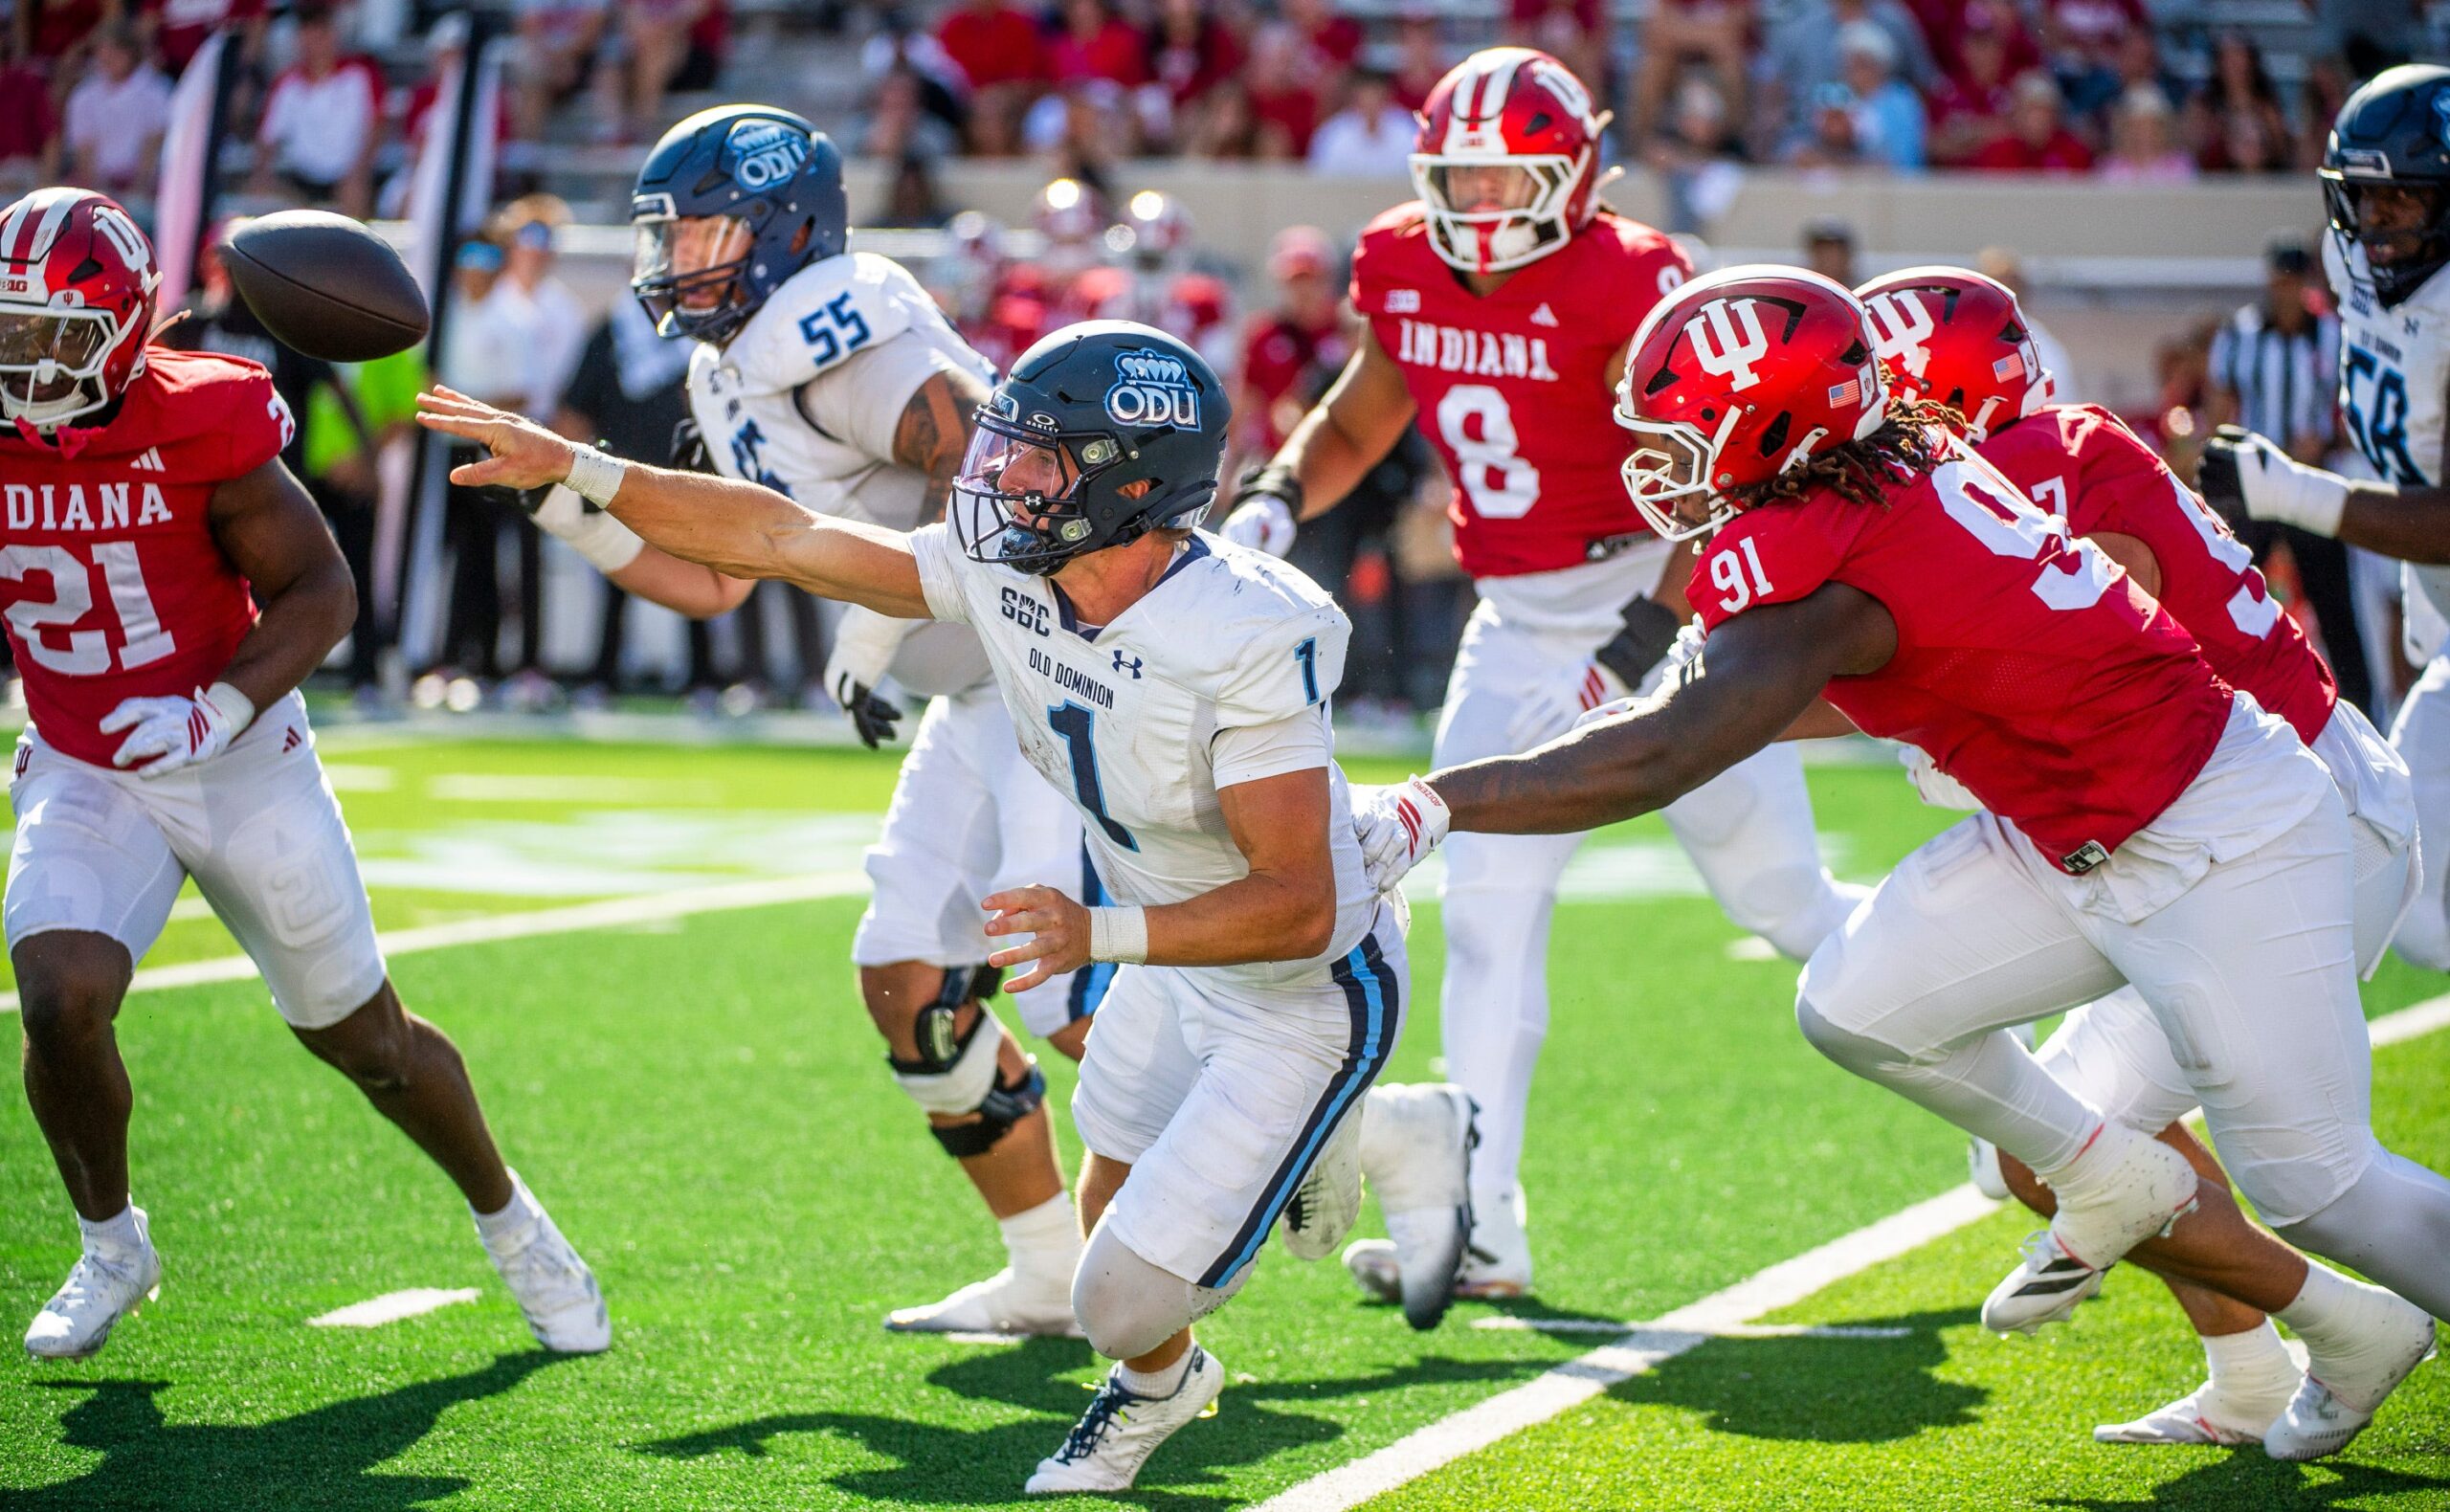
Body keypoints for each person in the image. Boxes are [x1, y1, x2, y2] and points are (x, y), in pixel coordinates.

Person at [1357, 262, 2450, 1461]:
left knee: (2317, 1185)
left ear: (1773, 424)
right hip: (2076, 823)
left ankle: (2299, 1292)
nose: (1659, 457)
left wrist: (1428, 806)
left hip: (2216, 827)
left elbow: (1673, 748)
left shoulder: (1842, 537)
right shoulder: (1893, 465)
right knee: (1855, 1002)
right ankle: (2153, 1217)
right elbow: (1776, 695)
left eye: (1684, 426)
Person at [415, 320, 1477, 1491]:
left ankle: (1258, 1225)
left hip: (1299, 981)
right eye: (1006, 447)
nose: (999, 477)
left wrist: (1102, 934)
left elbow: (1295, 905)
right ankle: (1178, 1365)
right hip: (1177, 947)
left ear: (1130, 478)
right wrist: (583, 470)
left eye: (1038, 459)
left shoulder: (1245, 631)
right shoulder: (1015, 563)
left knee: (1116, 1299)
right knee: (1102, 1192)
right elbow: (785, 534)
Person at [1222, 49, 1863, 1301]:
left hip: (1662, 602)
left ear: (1576, 172)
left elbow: (1727, 470)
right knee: (1487, 918)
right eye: (1460, 173)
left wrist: (1643, 642)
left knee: (1783, 902)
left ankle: (2021, 1099)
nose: (1482, 199)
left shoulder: (1635, 277)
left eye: (1509, 172)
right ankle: (1485, 1226)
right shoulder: (1406, 258)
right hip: (1513, 620)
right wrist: (1276, 494)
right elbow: (1364, 412)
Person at [0, 188, 605, 1362]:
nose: (27, 361)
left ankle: (512, 1220)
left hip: (237, 754)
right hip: (87, 756)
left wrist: (216, 700)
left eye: (56, 336)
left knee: (364, 1039)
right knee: (59, 992)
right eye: (9, 330)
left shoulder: (203, 419)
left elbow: (322, 591)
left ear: (124, 331)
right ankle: (112, 1243)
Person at [522, 105, 1096, 1338]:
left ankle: (1371, 1129)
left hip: (1052, 671)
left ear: (787, 230)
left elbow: (1015, 479)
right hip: (972, 691)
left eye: (705, 234)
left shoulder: (840, 323)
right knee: (909, 978)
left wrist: (883, 617)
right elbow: (718, 576)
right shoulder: (727, 365)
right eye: (666, 241)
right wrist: (568, 500)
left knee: (1071, 997)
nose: (675, 265)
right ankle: (1051, 1267)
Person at [1860, 264, 2422, 1449]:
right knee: (2046, 1135)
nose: (1860, 431)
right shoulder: (2028, 458)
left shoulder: (2038, 464)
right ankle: (2248, 1372)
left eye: (1880, 400)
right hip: (2218, 810)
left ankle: (2331, 1329)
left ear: (1936, 398)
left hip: (2283, 817)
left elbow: (2081, 649)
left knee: (2314, 1183)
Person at [2201, 63, 2450, 977]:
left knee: (2391, 868)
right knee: (2391, 859)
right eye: (2365, 202)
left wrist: (2295, 491)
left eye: (2405, 203)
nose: (2377, 228)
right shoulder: (2353, 262)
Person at [2206, 233, 2369, 714]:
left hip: (2308, 479)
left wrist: (2329, 439)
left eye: (2292, 283)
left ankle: (2361, 707)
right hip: (2252, 488)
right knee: (2230, 595)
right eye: (2278, 283)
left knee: (2334, 605)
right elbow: (2220, 404)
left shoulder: (2332, 333)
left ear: (2305, 285)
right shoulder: (2241, 334)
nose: (2284, 293)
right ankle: (2222, 698)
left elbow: (2355, 412)